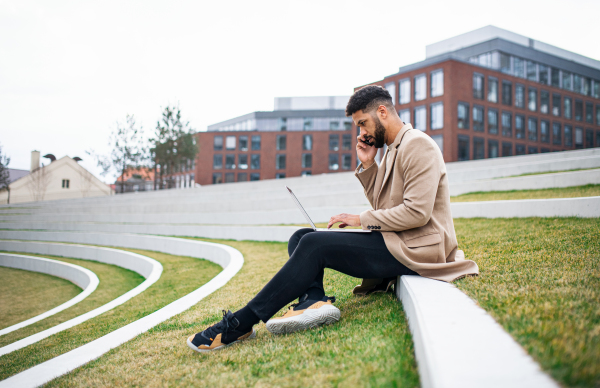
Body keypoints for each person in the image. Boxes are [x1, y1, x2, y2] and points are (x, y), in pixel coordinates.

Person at [186, 85, 479, 353]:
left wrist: (359, 219)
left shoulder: (418, 145)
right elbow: (384, 206)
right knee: (301, 237)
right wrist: (368, 165)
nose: (361, 131)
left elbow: (417, 213)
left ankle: (240, 323)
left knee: (314, 244)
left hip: (418, 249)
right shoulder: (391, 150)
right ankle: (313, 300)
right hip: (397, 242)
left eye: (362, 123)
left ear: (382, 112)